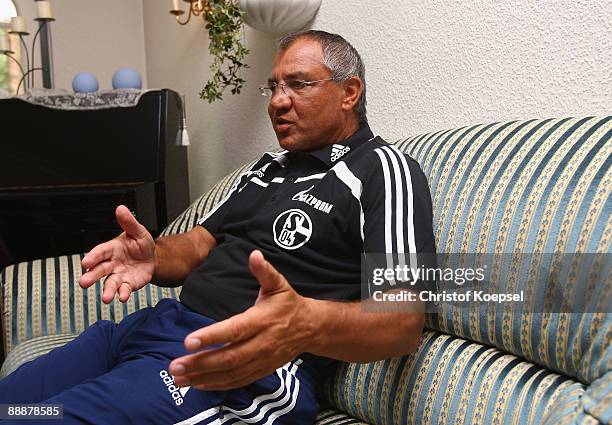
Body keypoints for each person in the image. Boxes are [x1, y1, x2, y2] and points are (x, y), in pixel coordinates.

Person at [0, 30, 435, 424]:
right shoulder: (269, 169)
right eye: (274, 87)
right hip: (152, 326)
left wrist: (305, 321)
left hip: (231, 364)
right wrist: (154, 254)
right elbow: (200, 242)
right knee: (13, 405)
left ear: (349, 92)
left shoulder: (382, 169)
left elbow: (401, 318)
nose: (277, 101)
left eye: (298, 84)